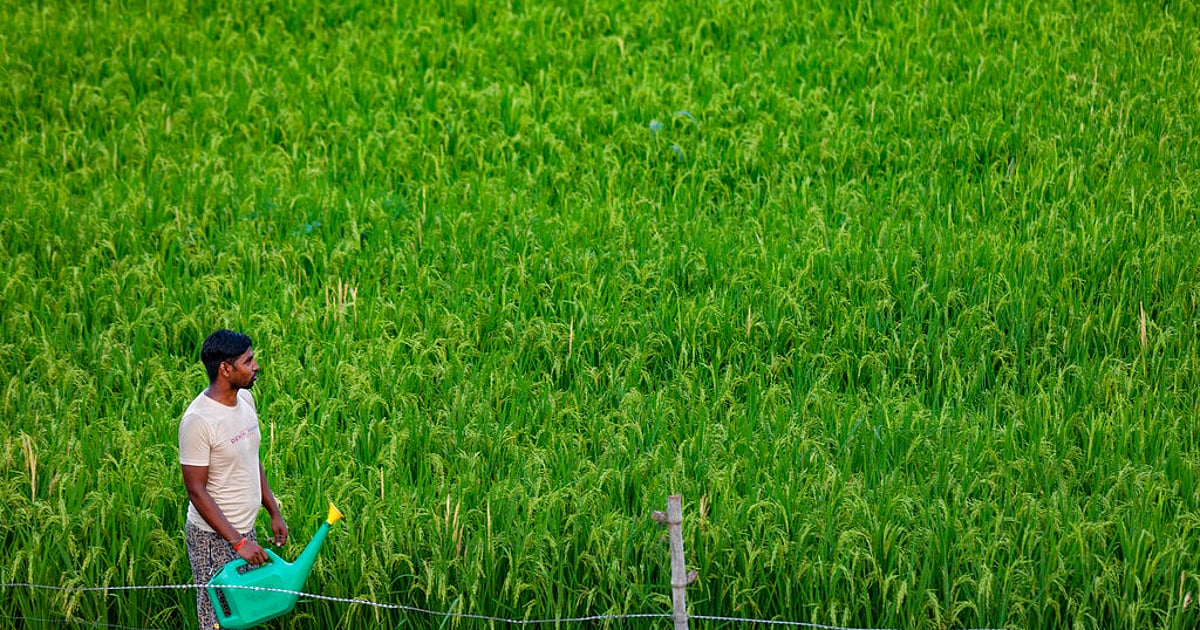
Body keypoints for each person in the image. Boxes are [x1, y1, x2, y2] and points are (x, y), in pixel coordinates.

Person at [179, 329, 289, 629]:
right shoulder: (198, 421)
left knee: (245, 614)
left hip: (245, 531)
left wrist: (273, 510)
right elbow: (196, 490)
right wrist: (237, 542)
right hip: (213, 539)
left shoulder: (246, 400)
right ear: (225, 369)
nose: (255, 366)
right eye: (248, 361)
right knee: (217, 620)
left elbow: (252, 460)